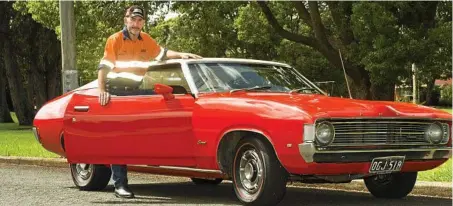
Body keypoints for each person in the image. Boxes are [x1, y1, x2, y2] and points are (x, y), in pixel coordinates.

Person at [97, 5, 201, 198]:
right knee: (120, 137)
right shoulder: (115, 39)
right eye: (132, 19)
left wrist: (181, 55)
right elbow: (104, 66)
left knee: (164, 101)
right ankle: (120, 185)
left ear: (143, 22)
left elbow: (163, 53)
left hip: (135, 92)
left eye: (139, 20)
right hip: (117, 93)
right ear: (125, 20)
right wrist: (102, 90)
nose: (136, 23)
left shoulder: (146, 40)